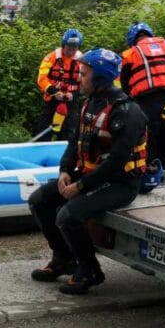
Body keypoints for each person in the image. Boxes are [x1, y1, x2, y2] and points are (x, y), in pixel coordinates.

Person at [28, 48, 148, 295]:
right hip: (91, 176)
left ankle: (90, 270)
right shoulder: (88, 104)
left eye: (83, 74)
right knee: (39, 200)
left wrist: (80, 187)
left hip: (120, 182)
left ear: (101, 78)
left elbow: (116, 162)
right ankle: (63, 259)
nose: (78, 79)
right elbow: (75, 141)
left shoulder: (126, 112)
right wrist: (64, 170)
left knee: (67, 215)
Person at [120, 22, 165, 186]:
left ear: (132, 40)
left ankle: (150, 177)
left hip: (147, 99)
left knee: (148, 138)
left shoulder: (130, 54)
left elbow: (125, 83)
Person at [34, 28, 84, 140]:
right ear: (63, 45)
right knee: (43, 131)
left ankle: (65, 155)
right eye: (69, 48)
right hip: (52, 100)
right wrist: (54, 91)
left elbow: (86, 83)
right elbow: (41, 78)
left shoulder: (82, 60)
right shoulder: (51, 57)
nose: (71, 51)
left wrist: (74, 94)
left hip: (71, 102)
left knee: (69, 135)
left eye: (74, 48)